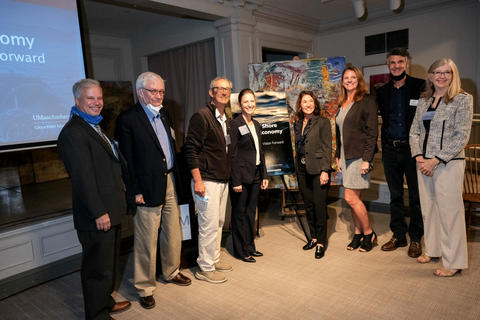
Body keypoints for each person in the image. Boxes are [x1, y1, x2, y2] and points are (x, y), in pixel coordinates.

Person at [115, 72, 191, 310]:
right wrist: (134, 191)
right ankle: (145, 287)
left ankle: (171, 271)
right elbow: (125, 160)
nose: (159, 96)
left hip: (168, 180)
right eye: (153, 91)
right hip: (145, 187)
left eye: (161, 92)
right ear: (140, 92)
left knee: (173, 230)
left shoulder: (165, 113)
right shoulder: (127, 120)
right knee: (146, 240)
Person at [57, 79, 131, 320]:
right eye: (91, 98)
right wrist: (99, 212)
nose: (97, 103)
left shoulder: (94, 126)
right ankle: (97, 315)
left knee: (107, 264)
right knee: (96, 269)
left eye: (99, 98)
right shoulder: (73, 133)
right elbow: (83, 179)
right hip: (96, 215)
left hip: (111, 209)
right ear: (77, 101)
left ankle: (105, 302)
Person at [409, 58, 473, 277]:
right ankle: (433, 249)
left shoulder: (462, 99)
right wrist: (419, 157)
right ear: (430, 75)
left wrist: (435, 160)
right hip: (423, 163)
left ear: (453, 75)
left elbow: (461, 137)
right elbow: (415, 131)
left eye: (447, 72)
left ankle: (453, 261)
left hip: (448, 164)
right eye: (437, 72)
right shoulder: (423, 100)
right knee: (429, 210)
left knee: (449, 213)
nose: (441, 76)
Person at [376, 48, 426, 258]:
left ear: (407, 63)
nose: (396, 66)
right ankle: (399, 235)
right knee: (395, 195)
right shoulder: (382, 90)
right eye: (392, 63)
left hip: (413, 150)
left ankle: (415, 238)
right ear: (388, 65)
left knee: (415, 196)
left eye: (400, 62)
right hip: (390, 149)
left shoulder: (419, 86)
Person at [183, 77, 233, 283]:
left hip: (222, 179)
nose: (224, 92)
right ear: (211, 92)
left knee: (219, 222)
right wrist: (198, 180)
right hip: (206, 180)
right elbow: (190, 149)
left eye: (227, 89)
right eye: (219, 89)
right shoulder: (201, 116)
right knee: (208, 224)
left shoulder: (225, 117)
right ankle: (204, 268)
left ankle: (213, 258)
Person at [335, 64, 378, 252]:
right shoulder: (342, 102)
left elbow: (372, 132)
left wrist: (367, 159)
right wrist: (338, 156)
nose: (350, 80)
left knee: (350, 197)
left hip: (359, 156)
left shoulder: (366, 101)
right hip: (345, 156)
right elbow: (339, 132)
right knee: (354, 199)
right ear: (342, 82)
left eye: (353, 77)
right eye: (346, 78)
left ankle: (369, 234)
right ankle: (358, 234)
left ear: (359, 80)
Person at [230, 89, 269, 263]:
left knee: (251, 212)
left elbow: (261, 151)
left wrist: (264, 175)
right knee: (239, 214)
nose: (250, 104)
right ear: (240, 105)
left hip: (255, 175)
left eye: (252, 101)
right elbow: (233, 154)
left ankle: (250, 247)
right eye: (246, 101)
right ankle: (241, 250)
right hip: (241, 178)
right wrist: (236, 180)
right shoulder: (235, 124)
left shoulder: (257, 124)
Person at [294, 90, 332, 259]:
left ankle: (321, 242)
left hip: (318, 169)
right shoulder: (298, 123)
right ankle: (314, 237)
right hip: (302, 169)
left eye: (310, 101)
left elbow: (326, 147)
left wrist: (325, 170)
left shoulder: (323, 122)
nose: (307, 104)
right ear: (300, 106)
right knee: (308, 205)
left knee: (319, 205)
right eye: (304, 102)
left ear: (315, 104)